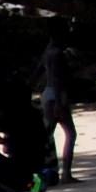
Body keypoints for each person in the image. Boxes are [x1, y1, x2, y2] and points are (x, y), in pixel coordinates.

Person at [38, 41, 78, 184]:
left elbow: (39, 72)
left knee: (47, 136)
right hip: (56, 95)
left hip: (47, 93)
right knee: (70, 134)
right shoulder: (58, 54)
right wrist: (60, 103)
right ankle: (66, 173)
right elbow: (57, 79)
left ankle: (43, 176)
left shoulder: (47, 51)